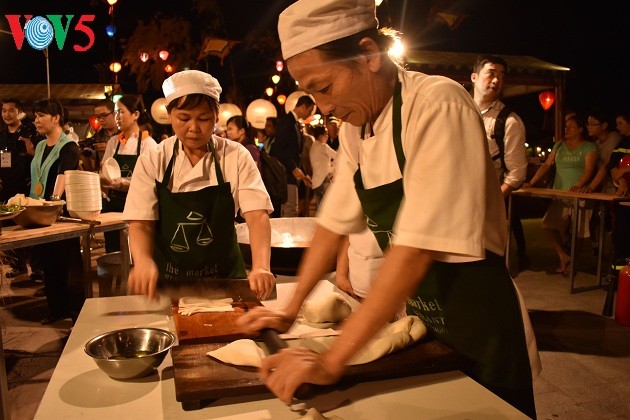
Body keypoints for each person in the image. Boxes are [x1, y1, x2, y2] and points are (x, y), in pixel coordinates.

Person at [237, 1, 540, 418]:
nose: (323, 107)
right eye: (312, 93)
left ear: (368, 55)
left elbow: (416, 249)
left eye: (325, 87)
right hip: (427, 325)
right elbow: (332, 224)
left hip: (482, 331)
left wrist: (330, 360)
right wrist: (288, 311)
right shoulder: (359, 127)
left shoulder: (437, 104)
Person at [123, 70, 275, 301]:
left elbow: (257, 215)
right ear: (169, 114)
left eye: (204, 118)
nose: (194, 127)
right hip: (169, 282)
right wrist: (143, 261)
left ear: (216, 117)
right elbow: (141, 222)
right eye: (184, 118)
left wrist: (261, 266)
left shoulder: (236, 155)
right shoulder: (154, 158)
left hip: (226, 280)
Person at [471, 54, 530, 271]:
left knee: (486, 267)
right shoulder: (458, 110)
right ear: (474, 77)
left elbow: (516, 174)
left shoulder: (510, 121)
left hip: (487, 209)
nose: (497, 80)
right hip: (455, 204)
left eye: (502, 76)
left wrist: (492, 202)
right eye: (491, 73)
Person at [30, 99, 84, 324]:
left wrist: (53, 202)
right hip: (39, 213)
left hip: (60, 213)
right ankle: (56, 309)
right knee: (48, 261)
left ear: (56, 118)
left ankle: (76, 314)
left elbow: (64, 174)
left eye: (40, 115)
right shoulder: (40, 145)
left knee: (68, 262)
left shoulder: (69, 145)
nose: (36, 121)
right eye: (35, 116)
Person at [523, 114, 598, 274]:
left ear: (580, 129)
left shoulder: (589, 147)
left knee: (578, 231)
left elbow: (589, 170)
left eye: (570, 127)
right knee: (548, 224)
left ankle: (570, 262)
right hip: (560, 193)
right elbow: (546, 165)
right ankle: (563, 256)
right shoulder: (559, 145)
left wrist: (579, 184)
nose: (566, 129)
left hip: (579, 195)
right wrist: (532, 182)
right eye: (565, 127)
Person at [99, 95, 158, 254]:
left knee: (135, 251)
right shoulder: (113, 142)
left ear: (136, 115)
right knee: (113, 250)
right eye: (116, 113)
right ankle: (116, 279)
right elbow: (104, 171)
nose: (117, 117)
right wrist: (102, 178)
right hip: (113, 204)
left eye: (121, 112)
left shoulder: (148, 144)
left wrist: (126, 184)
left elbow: (153, 182)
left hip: (136, 206)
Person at [1, 98, 42, 280]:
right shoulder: (1, 136)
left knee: (29, 227)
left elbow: (37, 156)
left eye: (11, 110)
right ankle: (18, 265)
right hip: (6, 188)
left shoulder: (29, 132)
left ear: (20, 112)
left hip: (26, 187)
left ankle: (37, 267)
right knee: (10, 228)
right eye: (4, 111)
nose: (7, 114)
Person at [581, 108, 622, 254]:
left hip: (614, 186)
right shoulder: (594, 144)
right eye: (587, 125)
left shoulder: (614, 138)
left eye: (593, 124)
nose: (589, 127)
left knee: (615, 220)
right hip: (601, 187)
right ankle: (598, 248)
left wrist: (590, 187)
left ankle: (613, 254)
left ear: (604, 125)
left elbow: (606, 166)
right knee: (595, 219)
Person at [270, 94, 314, 217]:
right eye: (310, 111)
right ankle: (286, 236)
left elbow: (295, 153)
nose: (310, 115)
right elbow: (279, 150)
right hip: (286, 175)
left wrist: (304, 174)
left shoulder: (295, 123)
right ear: (303, 106)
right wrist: (294, 168)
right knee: (290, 210)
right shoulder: (286, 121)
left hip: (292, 175)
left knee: (290, 209)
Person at [607, 108, 630, 261]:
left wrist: (626, 170)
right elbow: (613, 165)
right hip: (623, 197)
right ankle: (618, 278)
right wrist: (622, 182)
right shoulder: (622, 142)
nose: (617, 126)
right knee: (621, 237)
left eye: (620, 123)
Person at [308, 125, 336, 207]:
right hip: (324, 179)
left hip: (316, 181)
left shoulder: (313, 147)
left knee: (320, 207)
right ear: (321, 136)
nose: (327, 136)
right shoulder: (323, 146)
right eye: (326, 134)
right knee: (329, 205)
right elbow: (336, 155)